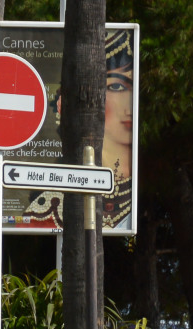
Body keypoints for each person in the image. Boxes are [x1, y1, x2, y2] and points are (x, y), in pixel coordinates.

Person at [24, 29, 134, 231]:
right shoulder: (48, 205)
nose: (130, 107)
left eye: (132, 88)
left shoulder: (135, 199)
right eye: (117, 87)